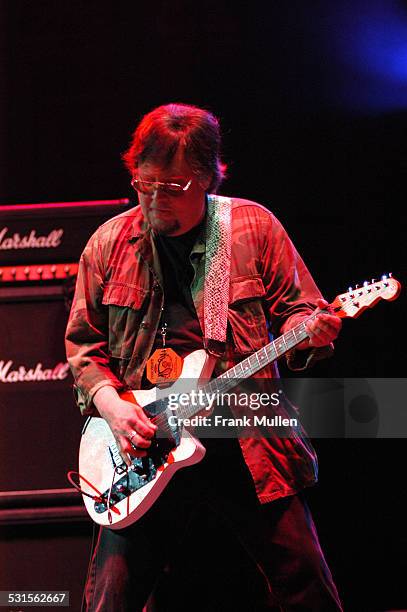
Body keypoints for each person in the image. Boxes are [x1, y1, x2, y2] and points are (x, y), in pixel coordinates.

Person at [65, 103, 343, 611]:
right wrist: (112, 404)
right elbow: (84, 347)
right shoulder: (108, 243)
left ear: (208, 178)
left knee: (305, 584)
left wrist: (309, 330)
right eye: (143, 184)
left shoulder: (250, 228)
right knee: (112, 596)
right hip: (148, 441)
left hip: (247, 437)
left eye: (172, 188)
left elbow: (300, 312)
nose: (154, 200)